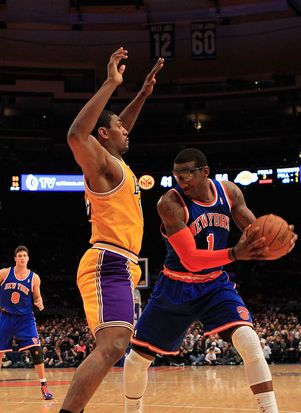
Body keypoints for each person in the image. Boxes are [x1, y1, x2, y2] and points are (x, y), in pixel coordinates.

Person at [124, 148, 298, 413]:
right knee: (136, 360)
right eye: (176, 175)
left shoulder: (230, 192)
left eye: (187, 175)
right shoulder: (169, 203)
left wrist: (277, 243)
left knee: (250, 341)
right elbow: (192, 260)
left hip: (214, 283)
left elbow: (255, 235)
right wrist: (235, 253)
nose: (181, 182)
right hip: (176, 285)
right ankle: (131, 410)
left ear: (205, 172)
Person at [59, 47, 164, 413]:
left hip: (122, 265)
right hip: (108, 261)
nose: (126, 129)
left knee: (116, 344)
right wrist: (110, 83)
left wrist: (142, 95)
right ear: (103, 134)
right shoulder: (102, 164)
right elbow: (76, 134)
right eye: (118, 126)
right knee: (114, 345)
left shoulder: (114, 162)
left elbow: (119, 127)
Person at [0, 245, 53, 400]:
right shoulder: (4, 273)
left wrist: (40, 302)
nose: (22, 258)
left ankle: (44, 386)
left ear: (28, 259)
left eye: (24, 255)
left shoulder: (34, 278)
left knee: (37, 350)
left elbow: (37, 296)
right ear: (15, 258)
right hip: (5, 316)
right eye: (19, 255)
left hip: (25, 318)